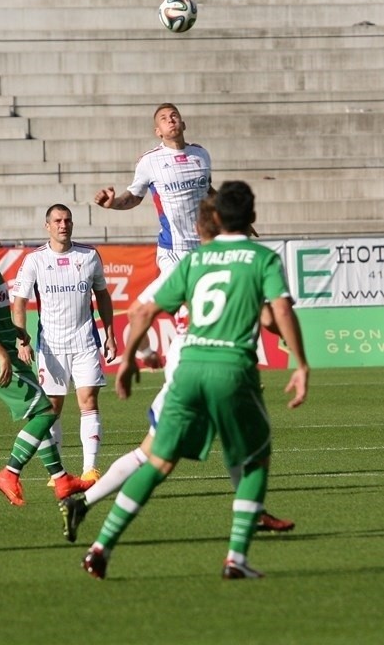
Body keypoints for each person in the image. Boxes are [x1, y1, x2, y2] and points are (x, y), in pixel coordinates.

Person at [78, 181, 310, 580]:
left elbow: (146, 311)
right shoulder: (262, 258)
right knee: (254, 460)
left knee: (156, 462)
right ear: (251, 217)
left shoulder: (195, 261)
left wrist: (131, 358)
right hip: (230, 369)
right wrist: (301, 363)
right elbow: (282, 311)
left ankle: (101, 546)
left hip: (187, 371)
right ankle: (236, 558)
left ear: (216, 217)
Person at [0, 210, 94, 507]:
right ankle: (9, 472)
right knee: (46, 412)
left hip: (7, 353)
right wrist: (1, 356)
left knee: (39, 415)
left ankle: (61, 479)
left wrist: (18, 332)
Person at [94, 103, 213, 368]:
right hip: (173, 250)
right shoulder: (150, 161)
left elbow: (208, 191)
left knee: (208, 310)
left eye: (174, 116)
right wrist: (113, 203)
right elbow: (133, 197)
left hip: (203, 251)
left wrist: (232, 219)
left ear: (183, 123)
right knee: (186, 309)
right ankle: (175, 362)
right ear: (157, 131)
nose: (170, 120)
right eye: (163, 118)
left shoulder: (201, 155)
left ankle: (162, 357)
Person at [12, 204, 117, 483]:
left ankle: (90, 469)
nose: (63, 225)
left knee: (88, 400)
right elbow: (19, 302)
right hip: (51, 346)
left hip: (84, 341)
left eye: (67, 220)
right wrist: (21, 338)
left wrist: (110, 334)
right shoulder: (35, 260)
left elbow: (102, 296)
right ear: (47, 226)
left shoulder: (89, 255)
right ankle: (57, 473)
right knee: (52, 409)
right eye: (57, 220)